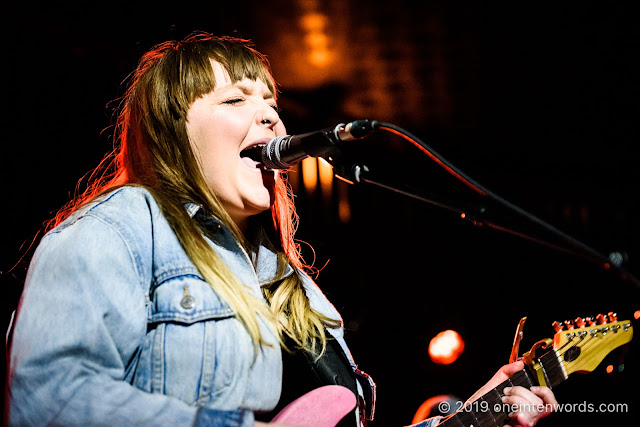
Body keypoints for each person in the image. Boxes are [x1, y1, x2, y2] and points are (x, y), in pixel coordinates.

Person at [5, 32, 557, 427]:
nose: (272, 116)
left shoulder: (295, 287)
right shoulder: (118, 231)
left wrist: (477, 413)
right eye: (236, 99)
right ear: (173, 134)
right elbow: (49, 398)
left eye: (270, 101)